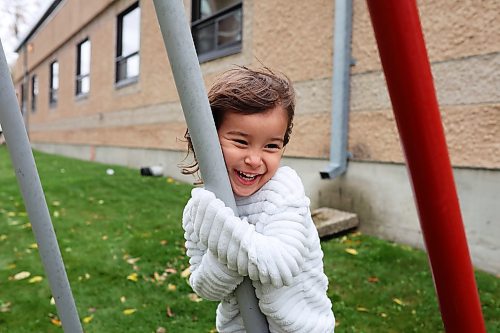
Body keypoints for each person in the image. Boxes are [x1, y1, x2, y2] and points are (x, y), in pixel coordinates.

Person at [181, 66, 335, 332]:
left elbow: (281, 264)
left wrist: (222, 236)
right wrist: (225, 257)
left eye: (271, 146)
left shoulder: (284, 190)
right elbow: (205, 287)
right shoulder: (200, 210)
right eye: (241, 142)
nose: (254, 160)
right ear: (206, 139)